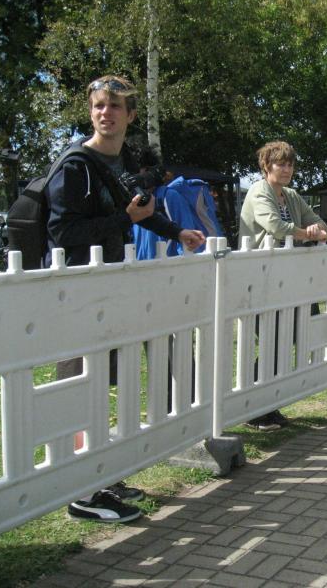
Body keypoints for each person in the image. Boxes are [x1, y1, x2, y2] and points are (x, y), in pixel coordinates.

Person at [46, 75, 206, 524]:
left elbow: (139, 212)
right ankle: (80, 490)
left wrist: (177, 231)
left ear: (131, 115)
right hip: (74, 291)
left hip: (107, 288)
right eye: (99, 105)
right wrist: (124, 219)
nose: (106, 113)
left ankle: (99, 475)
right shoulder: (76, 165)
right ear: (90, 111)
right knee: (79, 386)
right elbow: (63, 232)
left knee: (101, 383)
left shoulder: (120, 162)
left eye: (115, 106)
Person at [239, 140, 327, 430]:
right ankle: (252, 408)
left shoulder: (290, 195)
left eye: (290, 164)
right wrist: (309, 234)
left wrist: (316, 230)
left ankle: (268, 405)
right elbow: (276, 227)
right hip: (261, 278)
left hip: (288, 279)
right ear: (267, 166)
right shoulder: (258, 191)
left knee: (286, 340)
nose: (287, 169)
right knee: (271, 340)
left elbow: (321, 223)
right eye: (280, 164)